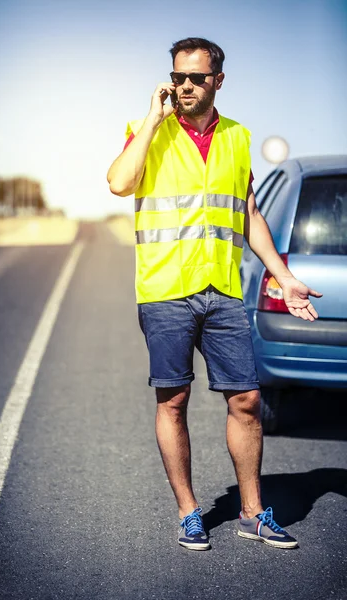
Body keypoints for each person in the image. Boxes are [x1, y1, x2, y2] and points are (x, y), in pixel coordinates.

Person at [107, 37, 322, 551]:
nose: (183, 85)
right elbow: (118, 182)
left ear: (217, 81)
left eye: (195, 78)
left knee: (246, 399)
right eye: (177, 76)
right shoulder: (145, 130)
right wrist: (152, 119)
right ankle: (188, 512)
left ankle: (253, 512)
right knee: (173, 400)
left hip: (222, 289)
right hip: (165, 290)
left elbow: (247, 213)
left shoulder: (236, 137)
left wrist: (283, 275)